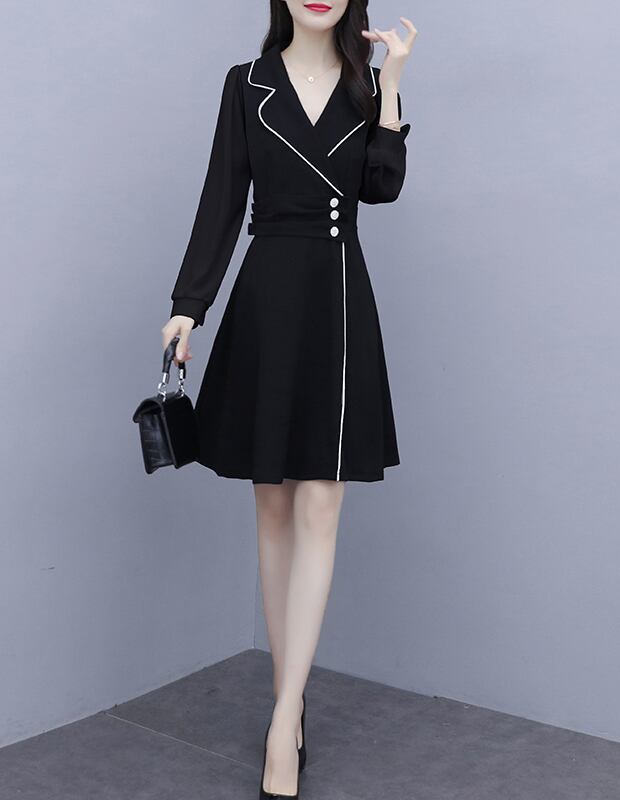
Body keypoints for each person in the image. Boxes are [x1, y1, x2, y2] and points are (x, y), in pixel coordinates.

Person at [161, 1, 417, 796]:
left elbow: (382, 188)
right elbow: (221, 199)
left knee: (321, 505)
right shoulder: (247, 84)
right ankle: (291, 700)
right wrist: (189, 305)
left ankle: (282, 721)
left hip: (337, 299)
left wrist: (393, 84)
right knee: (272, 507)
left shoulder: (367, 88)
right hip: (267, 296)